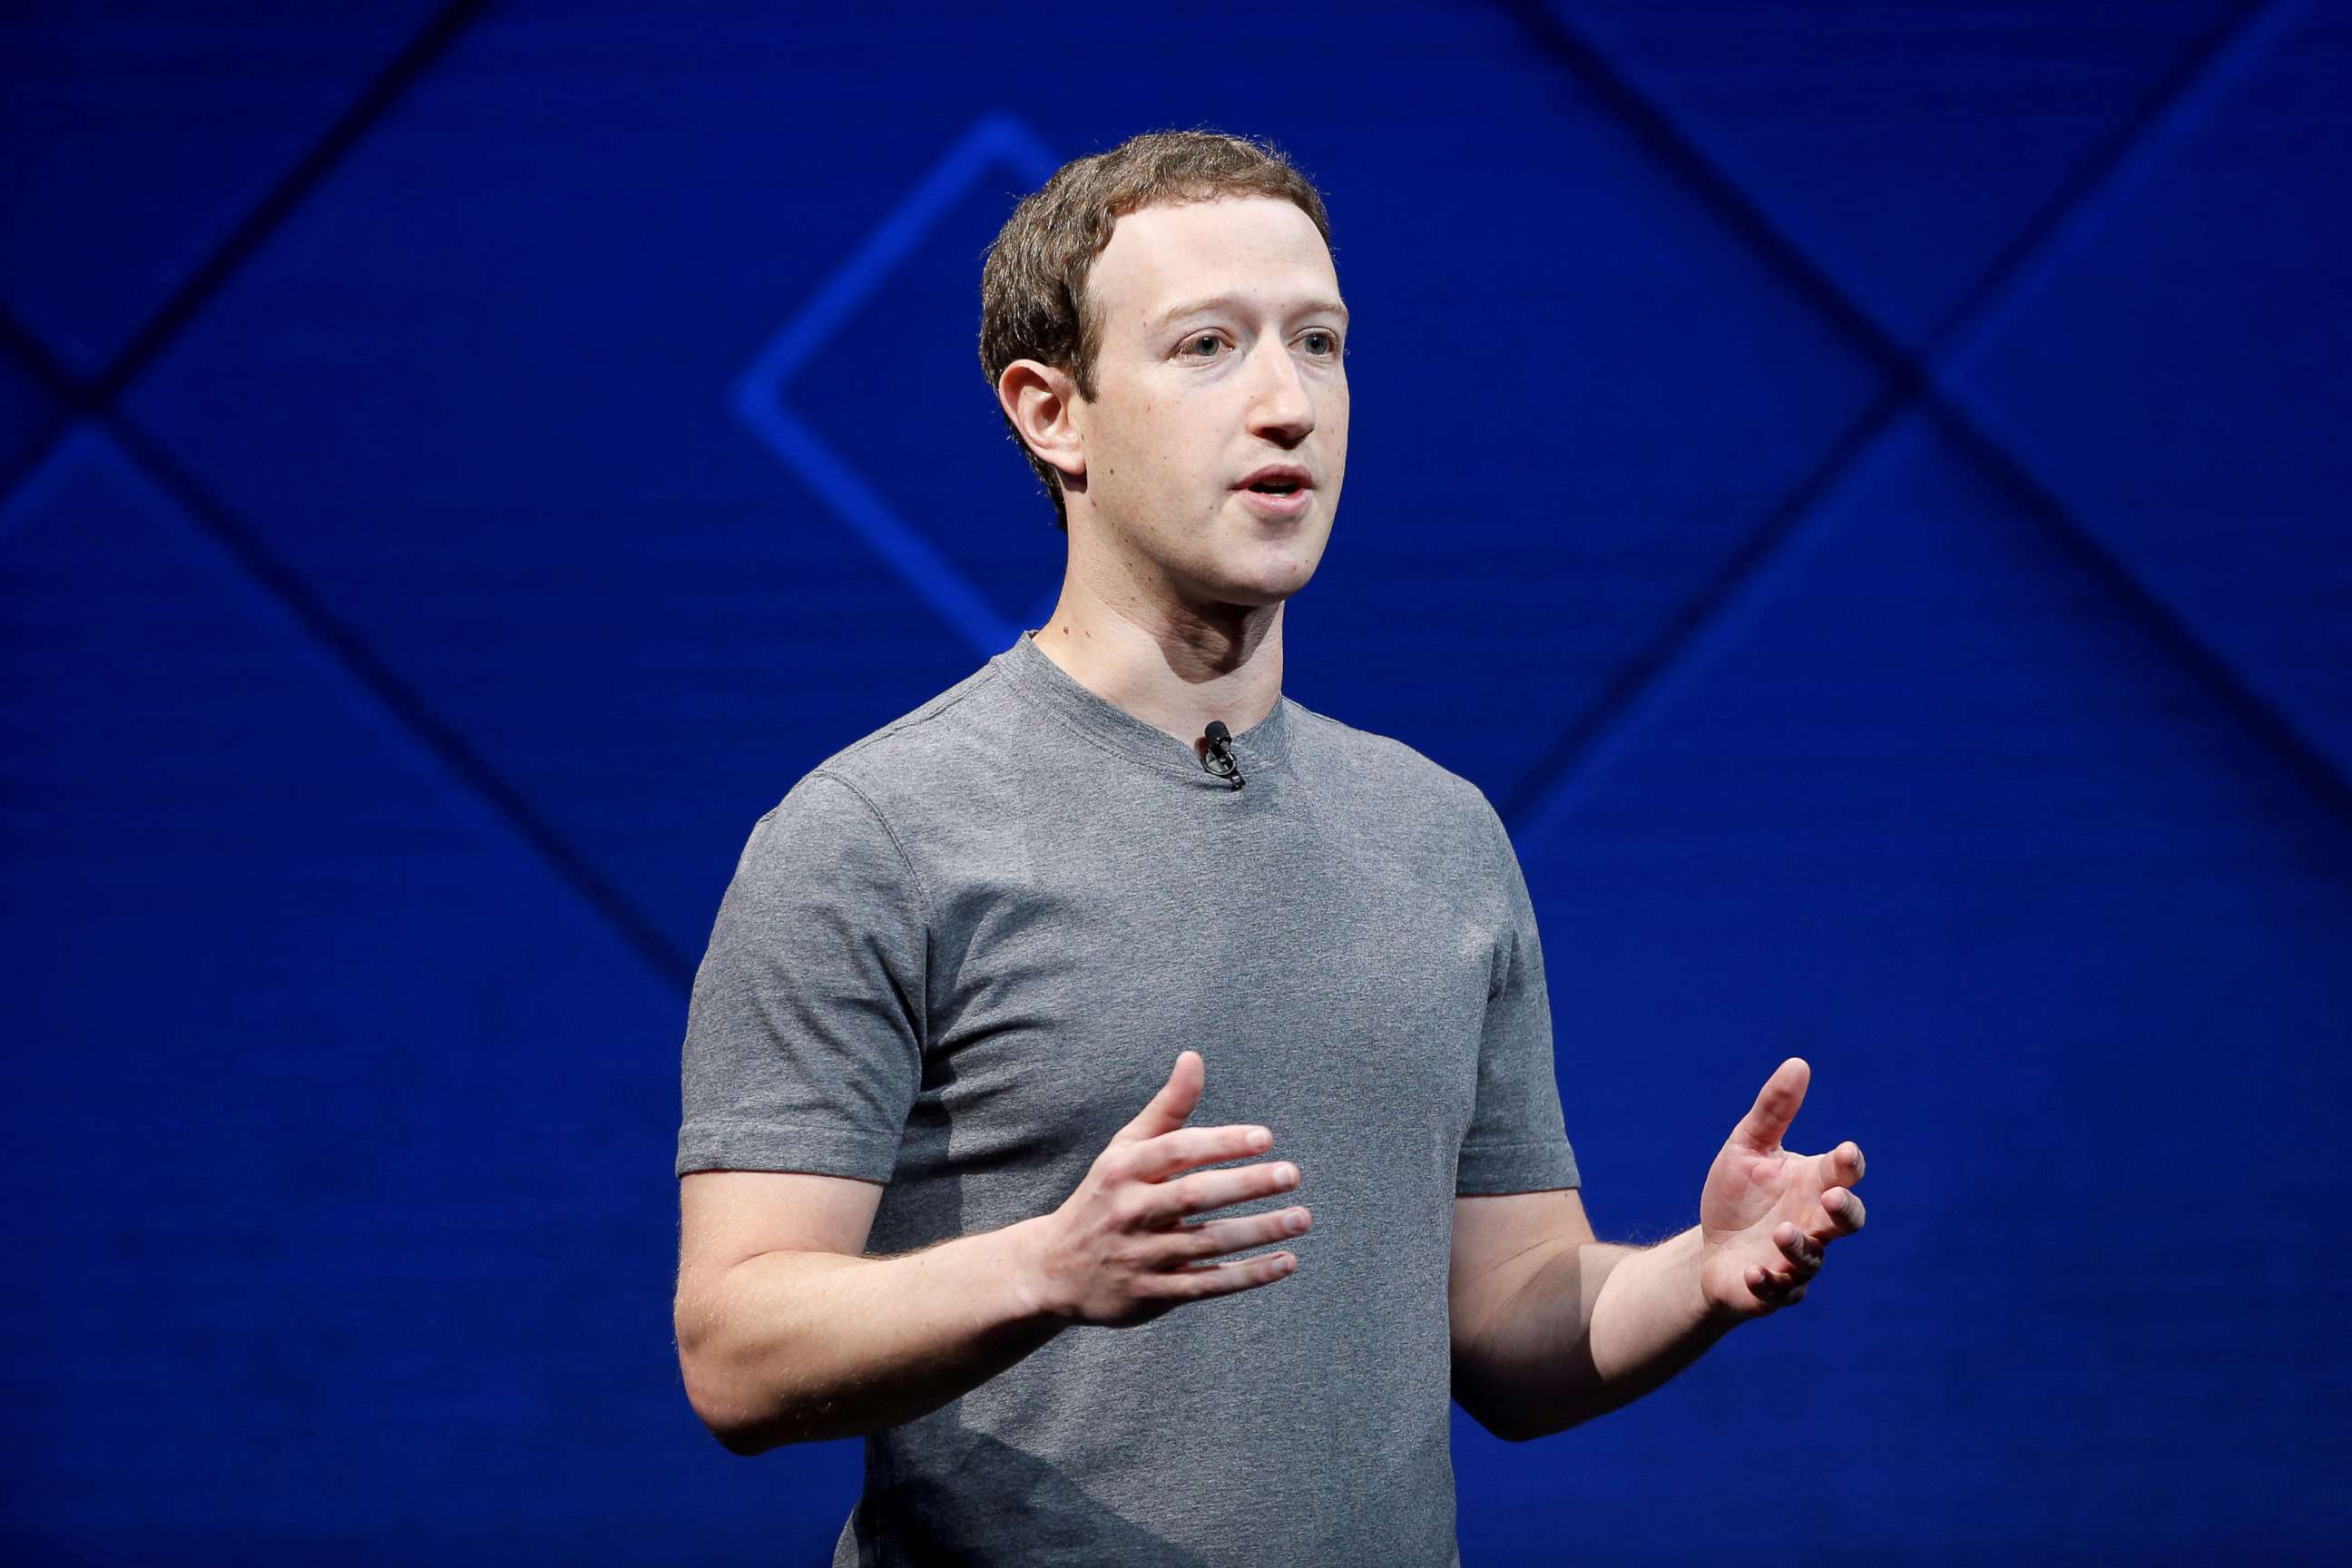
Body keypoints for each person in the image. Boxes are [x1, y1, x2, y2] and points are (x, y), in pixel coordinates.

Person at [672, 128, 1869, 1567]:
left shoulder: (1438, 833)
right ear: (1053, 413)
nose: (1288, 403)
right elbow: (735, 1350)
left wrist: (1701, 1275)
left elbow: (1507, 1325)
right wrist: (1048, 1270)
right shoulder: (875, 834)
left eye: (1320, 342)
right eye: (1207, 348)